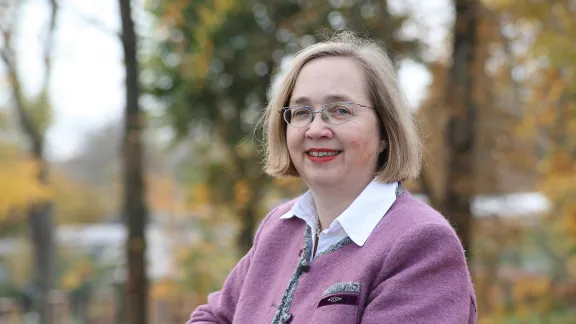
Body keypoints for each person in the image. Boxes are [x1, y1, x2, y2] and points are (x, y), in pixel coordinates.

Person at [187, 31, 477, 324]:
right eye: (301, 112)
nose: (315, 129)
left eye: (340, 110)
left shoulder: (421, 243)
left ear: (385, 133)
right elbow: (213, 317)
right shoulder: (278, 228)